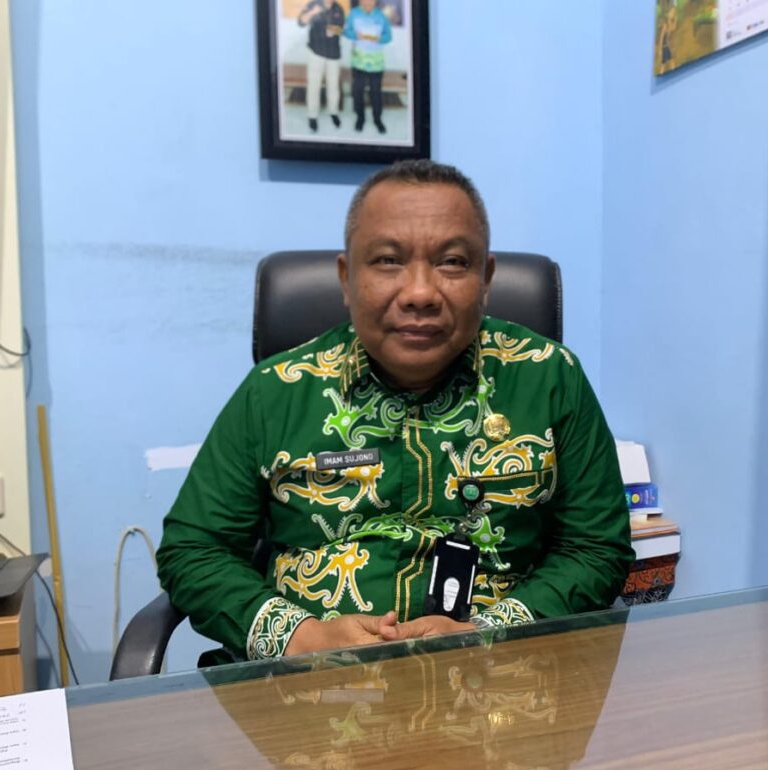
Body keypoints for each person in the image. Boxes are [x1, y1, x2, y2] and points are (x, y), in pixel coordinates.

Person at [157, 160, 633, 661]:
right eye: (387, 261)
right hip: (310, 682)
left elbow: (596, 549)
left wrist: (490, 631)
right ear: (346, 278)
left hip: (500, 678)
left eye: (453, 262)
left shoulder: (550, 377)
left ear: (486, 278)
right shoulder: (274, 391)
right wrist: (297, 636)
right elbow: (194, 548)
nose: (420, 293)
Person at [343, 0, 392, 134]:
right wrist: (355, 35)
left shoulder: (381, 16)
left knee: (376, 93)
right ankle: (360, 118)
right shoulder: (353, 14)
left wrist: (379, 39)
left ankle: (377, 119)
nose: (368, 2)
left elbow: (388, 36)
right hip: (358, 61)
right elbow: (345, 31)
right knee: (357, 92)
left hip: (376, 63)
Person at [297, 0, 346, 132]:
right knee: (314, 86)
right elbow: (301, 22)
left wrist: (334, 30)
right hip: (316, 52)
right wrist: (313, 12)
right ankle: (312, 116)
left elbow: (342, 29)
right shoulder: (313, 4)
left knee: (333, 86)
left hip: (333, 53)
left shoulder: (339, 8)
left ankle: (333, 112)